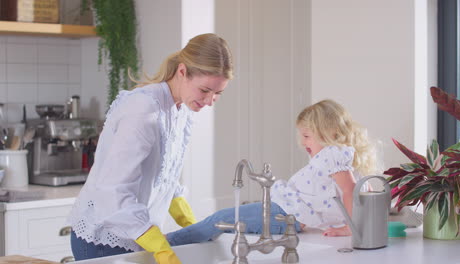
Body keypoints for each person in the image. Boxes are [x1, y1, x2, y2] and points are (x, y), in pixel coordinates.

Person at [67, 33, 233, 264]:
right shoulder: (143, 110)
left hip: (136, 235)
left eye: (218, 93)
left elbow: (164, 174)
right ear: (182, 72)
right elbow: (113, 192)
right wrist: (160, 247)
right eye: (205, 90)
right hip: (103, 239)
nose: (209, 101)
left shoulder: (181, 109)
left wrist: (189, 222)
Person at [166, 99, 377, 246]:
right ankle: (166, 243)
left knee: (220, 219)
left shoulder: (333, 154)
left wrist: (350, 228)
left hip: (285, 215)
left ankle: (162, 244)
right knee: (221, 221)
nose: (303, 142)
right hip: (286, 213)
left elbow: (350, 191)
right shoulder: (339, 158)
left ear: (330, 133)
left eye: (307, 135)